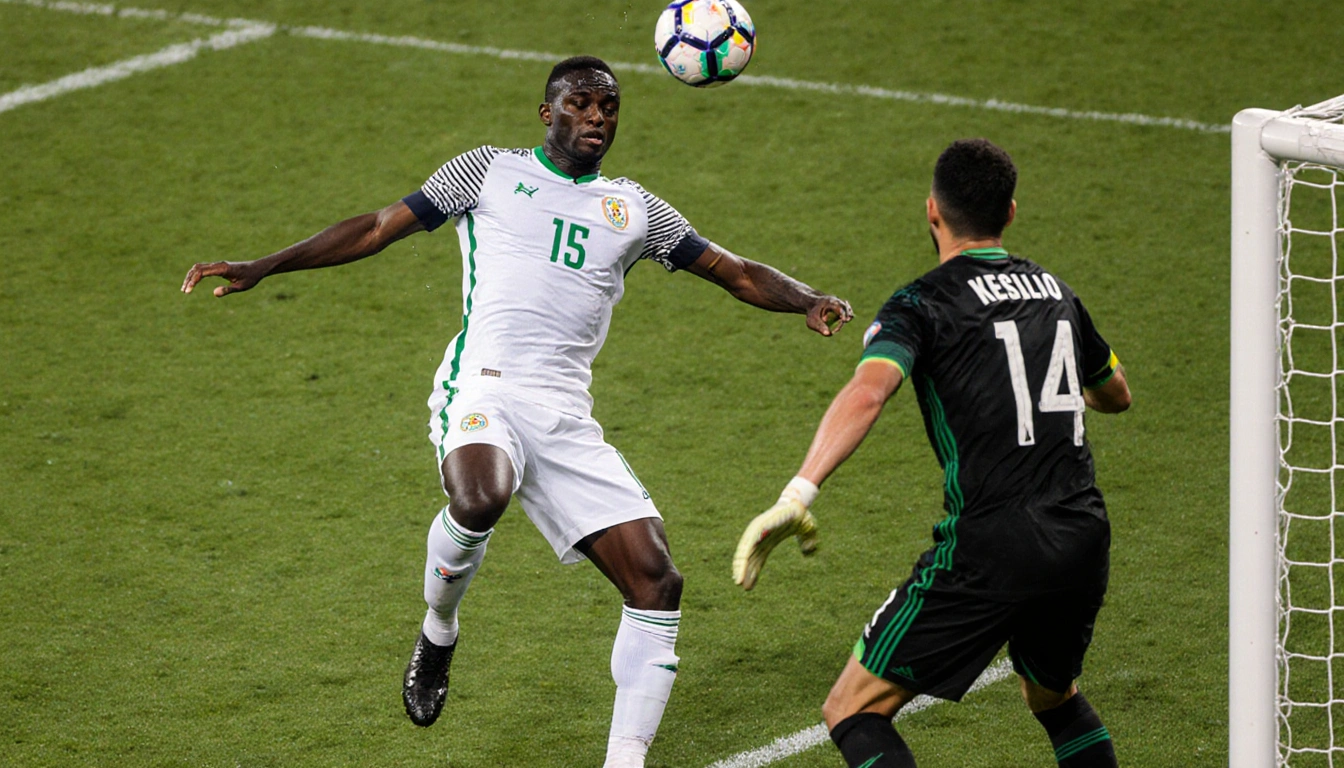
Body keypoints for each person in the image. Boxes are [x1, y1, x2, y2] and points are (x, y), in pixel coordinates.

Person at [181, 55, 852, 767]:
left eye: (610, 107)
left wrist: (806, 299)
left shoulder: (636, 210)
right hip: (484, 387)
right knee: (481, 496)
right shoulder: (486, 172)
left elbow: (735, 271)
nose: (597, 117)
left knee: (657, 580)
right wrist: (266, 264)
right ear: (547, 113)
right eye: (581, 104)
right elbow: (378, 227)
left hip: (564, 412)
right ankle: (439, 630)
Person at [731, 138, 1130, 768]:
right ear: (1012, 211)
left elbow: (868, 391)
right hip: (1082, 535)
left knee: (852, 709)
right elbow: (1116, 392)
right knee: (1053, 698)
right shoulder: (1057, 292)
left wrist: (798, 492)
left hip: (991, 545)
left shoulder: (922, 304)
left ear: (932, 212)